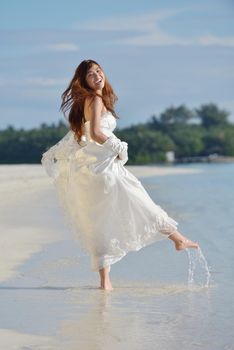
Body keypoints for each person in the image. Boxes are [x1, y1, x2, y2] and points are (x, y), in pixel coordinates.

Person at [41, 59, 199, 292]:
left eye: (98, 71)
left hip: (91, 171)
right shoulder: (94, 99)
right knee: (142, 204)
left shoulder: (87, 101)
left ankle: (105, 282)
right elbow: (95, 133)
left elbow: (85, 137)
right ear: (84, 81)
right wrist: (118, 146)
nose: (96, 76)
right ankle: (178, 239)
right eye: (90, 75)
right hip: (105, 170)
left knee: (100, 224)